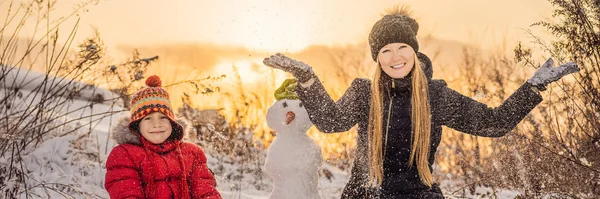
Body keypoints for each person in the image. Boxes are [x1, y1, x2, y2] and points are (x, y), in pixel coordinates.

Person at [262, 7, 579, 199]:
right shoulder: (363, 93)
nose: (395, 56)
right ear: (377, 58)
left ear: (414, 51)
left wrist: (533, 87)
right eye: (385, 50)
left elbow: (494, 123)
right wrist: (306, 78)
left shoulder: (436, 96)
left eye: (402, 47)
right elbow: (331, 122)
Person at [105, 75, 221, 199]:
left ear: (172, 122)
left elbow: (205, 190)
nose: (157, 124)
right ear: (137, 126)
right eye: (148, 118)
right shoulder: (125, 154)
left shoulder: (192, 153)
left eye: (163, 117)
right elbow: (126, 192)